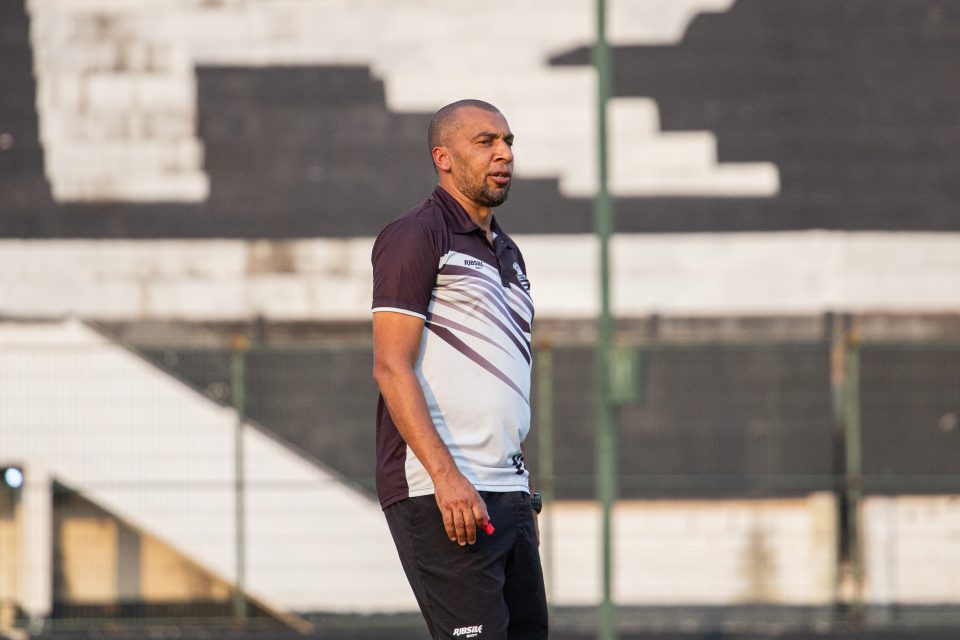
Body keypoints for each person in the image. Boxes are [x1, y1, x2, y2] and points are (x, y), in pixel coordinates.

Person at [371, 99, 548, 640]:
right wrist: (447, 477)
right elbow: (390, 367)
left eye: (508, 142)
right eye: (485, 141)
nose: (504, 153)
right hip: (442, 491)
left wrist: (518, 491)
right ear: (443, 157)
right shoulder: (416, 234)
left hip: (507, 492)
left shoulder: (509, 252)